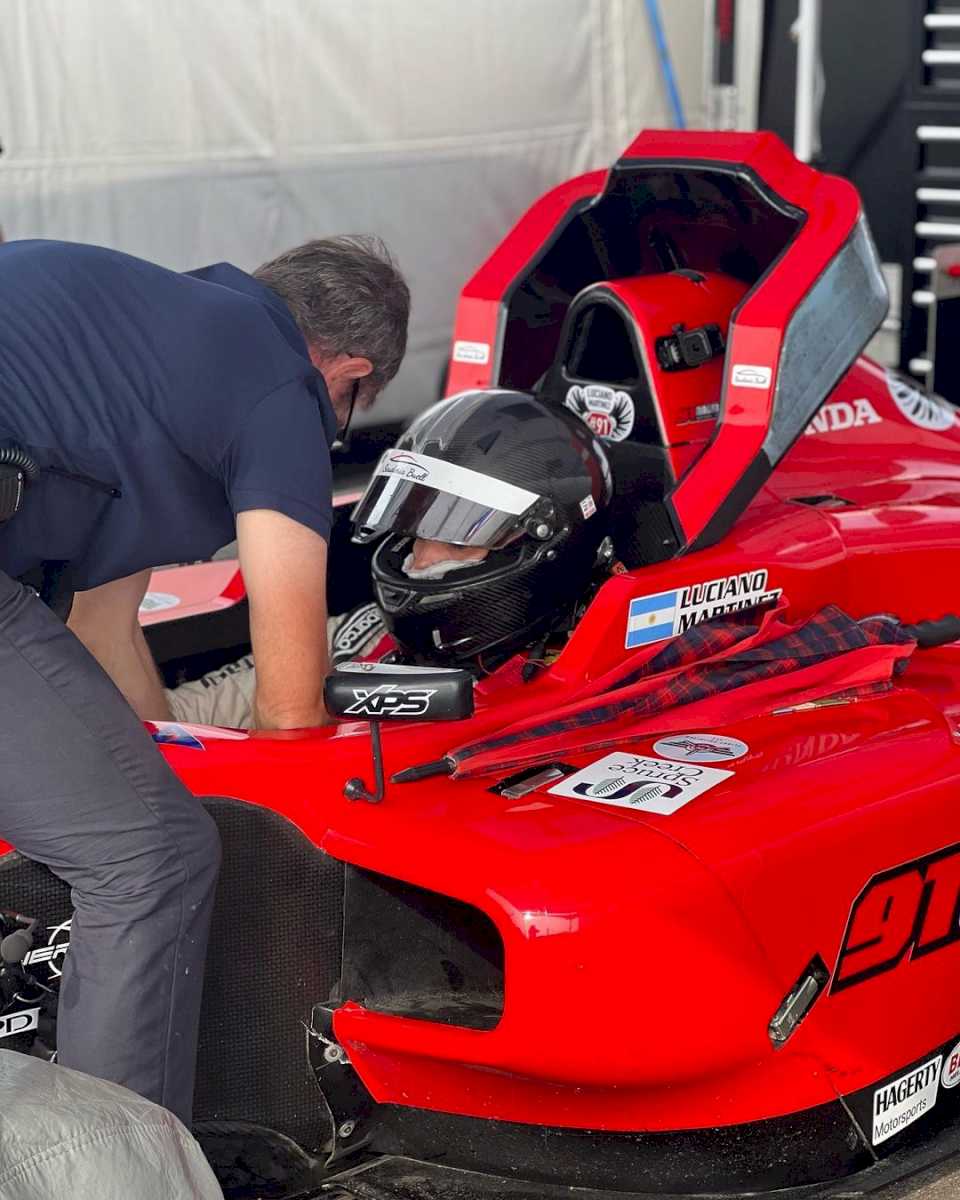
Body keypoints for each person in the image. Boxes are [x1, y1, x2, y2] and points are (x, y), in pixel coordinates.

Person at [0, 235, 409, 1123]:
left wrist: (165, 770)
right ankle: (122, 1175)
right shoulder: (278, 387)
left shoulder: (137, 333)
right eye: (345, 408)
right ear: (348, 369)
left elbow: (100, 629)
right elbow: (294, 692)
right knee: (153, 860)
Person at [166, 388, 614, 726]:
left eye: (458, 540)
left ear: (547, 547)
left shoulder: (593, 682)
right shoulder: (363, 632)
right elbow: (188, 715)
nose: (420, 560)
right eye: (415, 530)